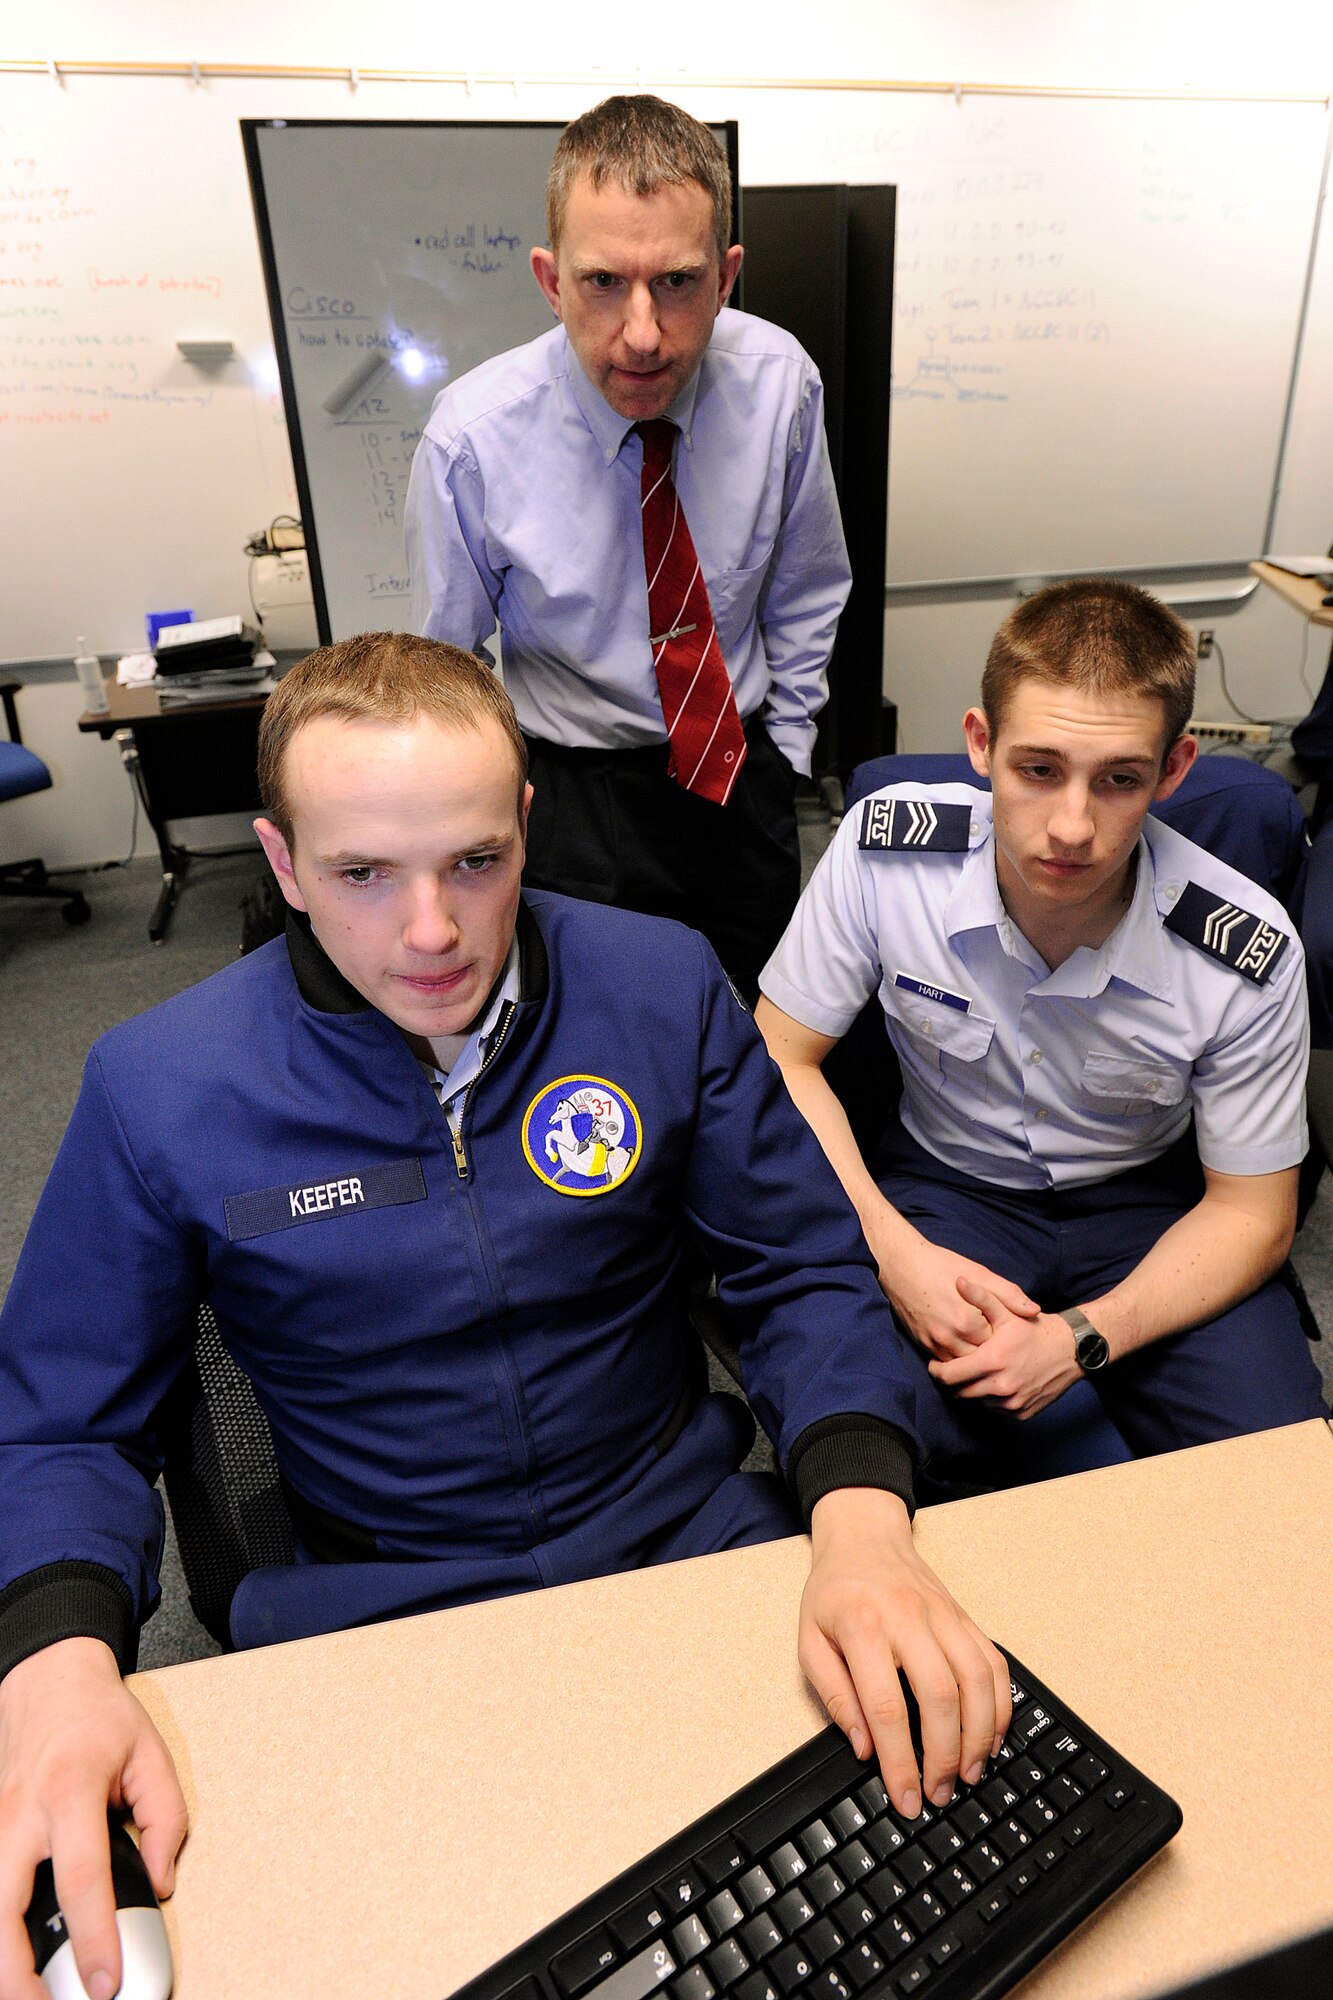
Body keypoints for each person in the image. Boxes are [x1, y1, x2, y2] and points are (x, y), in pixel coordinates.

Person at [0, 634, 1006, 2000]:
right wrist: (53, 1668)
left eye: (474, 860)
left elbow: (798, 1270)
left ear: (527, 824)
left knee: (923, 1880)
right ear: (282, 864)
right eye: (361, 874)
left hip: (685, 1542)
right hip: (384, 1608)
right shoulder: (158, 1088)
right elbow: (59, 1422)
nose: (430, 931)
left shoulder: (660, 986)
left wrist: (863, 1524)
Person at [756, 579, 1328, 1479]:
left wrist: (1082, 1340)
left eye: (1119, 781)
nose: (1071, 827)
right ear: (980, 745)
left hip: (1148, 1209)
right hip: (947, 1188)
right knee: (879, 1439)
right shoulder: (883, 849)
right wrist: (894, 1254)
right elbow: (783, 1060)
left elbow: (1252, 1213)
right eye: (1038, 769)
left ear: (1173, 771)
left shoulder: (1242, 947)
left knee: (1281, 1478)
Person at [405, 94, 851, 997]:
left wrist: (787, 759)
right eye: (603, 282)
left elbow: (806, 589)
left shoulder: (779, 387)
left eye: (677, 283)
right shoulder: (473, 438)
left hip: (739, 773)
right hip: (575, 794)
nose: (642, 334)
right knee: (600, 1053)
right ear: (549, 279)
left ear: (726, 277)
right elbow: (446, 665)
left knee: (755, 1032)